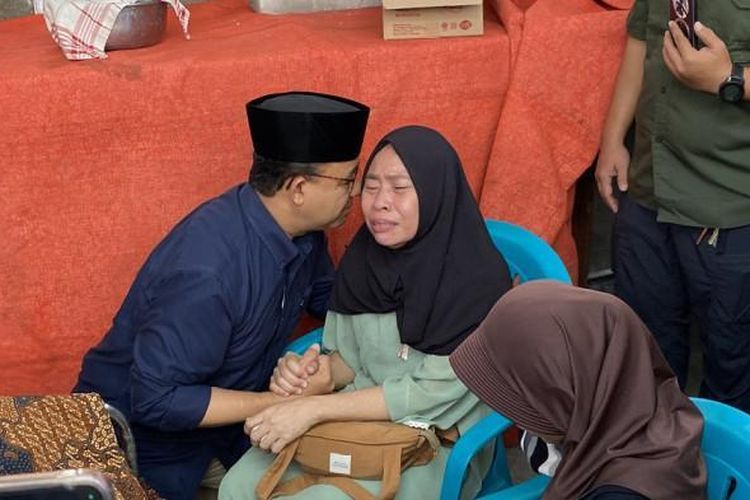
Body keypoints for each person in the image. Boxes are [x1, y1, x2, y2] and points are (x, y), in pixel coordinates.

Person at [73, 91, 370, 499]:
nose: (355, 194)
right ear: (299, 188)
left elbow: (330, 299)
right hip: (140, 449)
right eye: (347, 180)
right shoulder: (208, 271)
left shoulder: (303, 234)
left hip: (231, 434)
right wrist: (277, 402)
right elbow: (157, 400)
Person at [218, 125, 513, 499]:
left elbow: (428, 396)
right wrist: (318, 373)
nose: (380, 202)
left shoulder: (478, 281)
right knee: (238, 485)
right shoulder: (365, 262)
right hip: (352, 418)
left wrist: (314, 409)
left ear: (436, 192)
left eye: (399, 188)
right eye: (371, 187)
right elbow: (350, 357)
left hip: (431, 436)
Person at [595, 2, 750, 412]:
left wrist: (731, 78)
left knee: (732, 375)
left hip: (729, 202)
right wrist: (613, 138)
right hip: (649, 188)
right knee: (644, 362)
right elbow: (642, 38)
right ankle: (662, 451)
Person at [450, 281, 707, 500]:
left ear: (568, 393)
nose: (517, 419)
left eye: (522, 401)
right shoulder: (622, 404)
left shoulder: (625, 491)